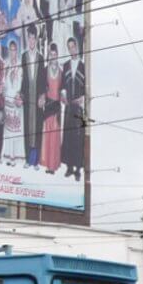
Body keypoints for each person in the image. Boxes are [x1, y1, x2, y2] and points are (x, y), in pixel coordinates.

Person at [60, 36, 86, 180]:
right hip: (69, 105)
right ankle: (69, 167)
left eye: (73, 46)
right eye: (69, 48)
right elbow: (63, 85)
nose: (72, 50)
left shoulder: (83, 66)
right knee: (69, 136)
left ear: (77, 46)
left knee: (78, 137)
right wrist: (63, 96)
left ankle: (77, 169)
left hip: (79, 107)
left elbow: (86, 88)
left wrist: (82, 98)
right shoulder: (65, 65)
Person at [20, 26, 45, 170]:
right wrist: (21, 94)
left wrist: (42, 96)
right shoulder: (24, 56)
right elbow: (23, 79)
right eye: (29, 37)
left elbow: (42, 80)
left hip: (37, 98)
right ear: (27, 39)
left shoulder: (40, 58)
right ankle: (27, 159)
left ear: (36, 39)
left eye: (33, 38)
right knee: (27, 128)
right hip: (27, 97)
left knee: (37, 128)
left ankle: (35, 161)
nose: (31, 40)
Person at [41, 41, 64, 173]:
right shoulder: (45, 70)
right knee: (48, 133)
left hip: (57, 106)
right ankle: (47, 164)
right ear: (49, 55)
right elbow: (43, 87)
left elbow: (63, 90)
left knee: (55, 134)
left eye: (55, 54)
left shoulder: (61, 71)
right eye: (51, 54)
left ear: (57, 55)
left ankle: (53, 165)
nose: (53, 56)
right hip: (48, 104)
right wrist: (42, 97)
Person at [1, 40, 24, 163]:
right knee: (8, 131)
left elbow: (22, 82)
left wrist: (18, 95)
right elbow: (3, 82)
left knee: (16, 130)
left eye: (15, 50)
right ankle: (8, 156)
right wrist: (4, 91)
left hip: (16, 101)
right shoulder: (6, 64)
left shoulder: (20, 65)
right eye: (11, 49)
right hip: (7, 101)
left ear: (17, 51)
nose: (12, 52)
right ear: (9, 51)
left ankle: (16, 157)